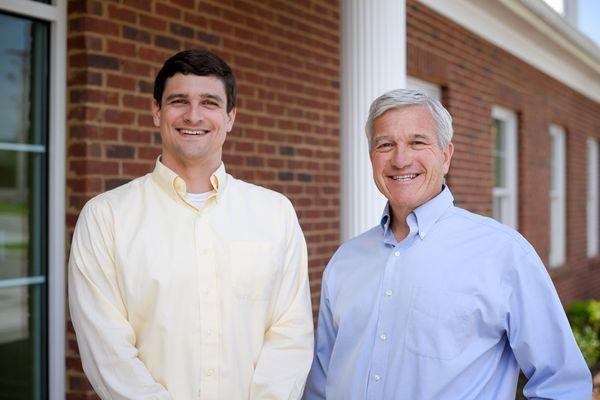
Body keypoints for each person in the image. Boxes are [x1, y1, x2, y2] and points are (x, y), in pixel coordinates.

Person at [303, 89, 591, 399]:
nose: (401, 159)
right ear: (372, 157)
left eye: (418, 142)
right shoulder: (345, 261)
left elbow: (562, 385)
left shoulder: (503, 254)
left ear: (446, 156)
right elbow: (322, 382)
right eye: (385, 144)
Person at [68, 49, 313, 400]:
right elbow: (108, 353)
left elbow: (291, 334)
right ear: (157, 112)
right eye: (178, 101)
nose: (193, 115)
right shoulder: (106, 218)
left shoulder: (276, 213)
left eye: (210, 103)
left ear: (230, 117)